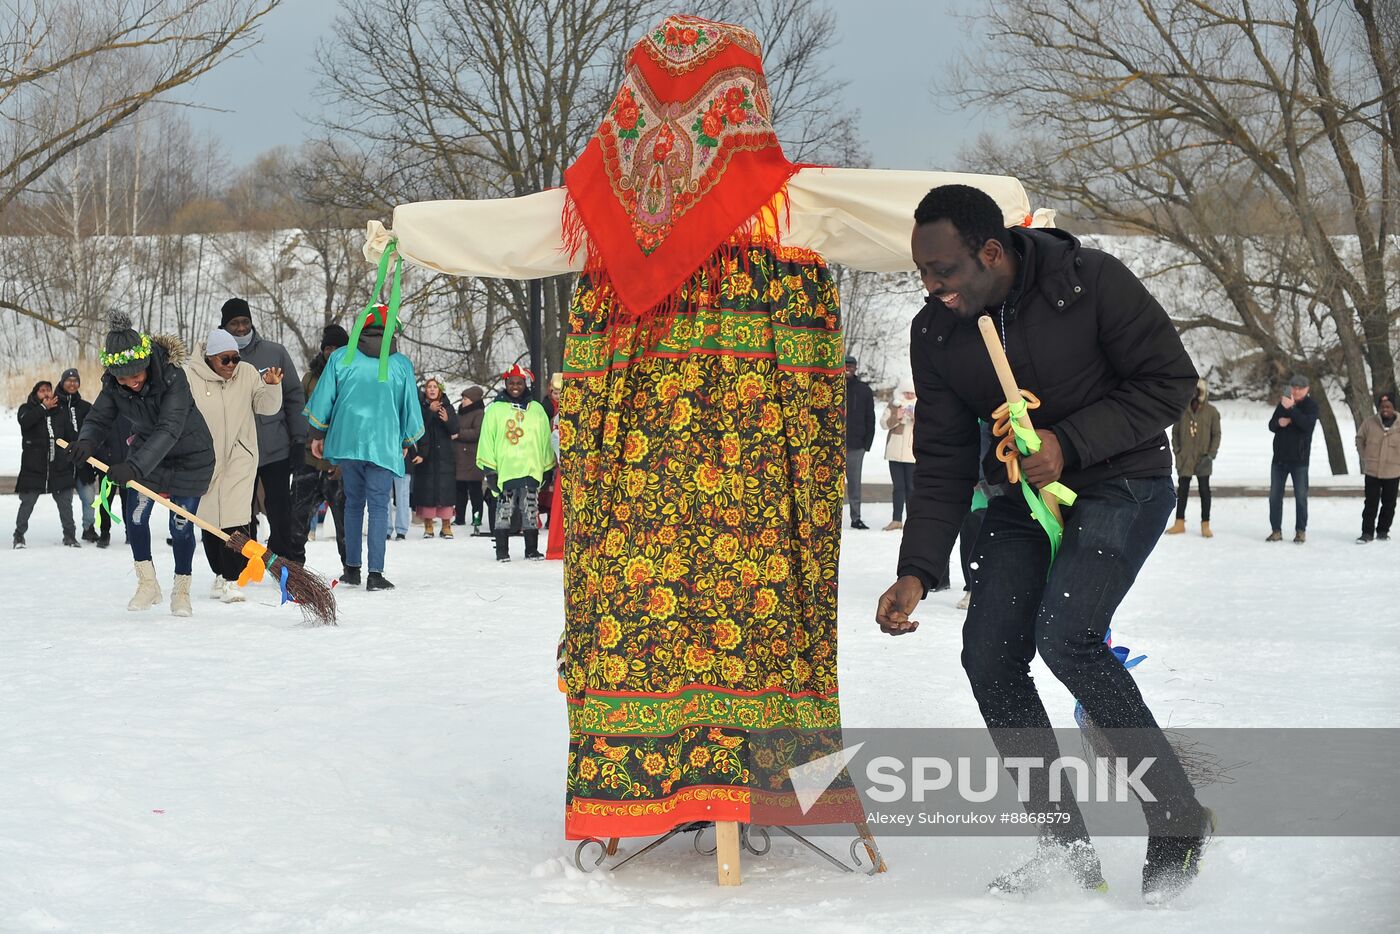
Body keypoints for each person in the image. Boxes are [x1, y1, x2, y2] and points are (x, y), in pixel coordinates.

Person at [361, 10, 1040, 844]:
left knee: (644, 612)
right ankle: (748, 783)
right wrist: (1004, 206)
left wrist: (411, 233)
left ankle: (666, 787)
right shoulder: (783, 203)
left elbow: (510, 230)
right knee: (757, 614)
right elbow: (881, 204)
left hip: (642, 485)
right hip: (753, 479)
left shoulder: (601, 214)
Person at [875, 184, 1210, 904]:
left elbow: (1170, 381)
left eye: (945, 272)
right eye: (922, 275)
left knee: (1067, 634)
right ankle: (1065, 852)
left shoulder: (1090, 283)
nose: (932, 290)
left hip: (1124, 481)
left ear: (991, 252)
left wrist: (1071, 442)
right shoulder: (937, 333)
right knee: (989, 653)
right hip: (1024, 501)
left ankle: (1178, 819)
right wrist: (918, 570)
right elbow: (938, 460)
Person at [71, 311, 215, 617]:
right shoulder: (114, 385)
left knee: (180, 526)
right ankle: (148, 584)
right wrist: (86, 442)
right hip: (149, 456)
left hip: (190, 457)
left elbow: (169, 428)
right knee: (135, 517)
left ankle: (181, 590)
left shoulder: (174, 377)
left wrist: (134, 467)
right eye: (123, 378)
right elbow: (98, 417)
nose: (131, 383)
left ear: (146, 363)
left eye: (136, 375)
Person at [303, 303, 424, 591]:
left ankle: (352, 569)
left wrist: (318, 433)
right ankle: (376, 574)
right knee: (380, 506)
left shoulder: (342, 358)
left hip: (349, 441)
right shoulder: (400, 364)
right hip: (383, 442)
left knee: (353, 503)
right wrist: (407, 441)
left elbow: (324, 399)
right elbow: (410, 406)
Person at [185, 328, 284, 602]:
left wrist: (273, 386)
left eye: (235, 359)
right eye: (224, 360)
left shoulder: (248, 373)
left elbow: (266, 406)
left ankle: (232, 579)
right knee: (208, 519)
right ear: (210, 358)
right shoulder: (190, 377)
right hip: (205, 458)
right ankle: (218, 574)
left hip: (241, 458)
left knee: (236, 519)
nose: (231, 365)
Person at [218, 298, 308, 562]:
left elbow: (293, 395)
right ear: (224, 327)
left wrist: (299, 439)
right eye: (234, 323)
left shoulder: (275, 352)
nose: (241, 328)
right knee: (240, 509)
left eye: (245, 321)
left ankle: (285, 558)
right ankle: (245, 558)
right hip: (236, 449)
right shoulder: (216, 358)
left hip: (274, 446)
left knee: (279, 507)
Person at [476, 364, 553, 562]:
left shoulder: (536, 410)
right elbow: (487, 439)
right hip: (505, 469)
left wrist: (547, 467)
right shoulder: (495, 410)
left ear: (525, 384)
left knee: (530, 508)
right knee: (504, 510)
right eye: (512, 383)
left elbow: (545, 439)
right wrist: (490, 470)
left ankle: (531, 549)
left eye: (519, 383)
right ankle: (502, 550)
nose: (515, 386)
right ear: (506, 383)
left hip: (531, 468)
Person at [290, 325, 351, 568]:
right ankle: (294, 565)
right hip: (308, 458)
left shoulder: (352, 375)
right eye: (328, 348)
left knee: (344, 518)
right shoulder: (310, 378)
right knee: (297, 516)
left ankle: (351, 565)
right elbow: (299, 414)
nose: (332, 352)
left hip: (341, 458)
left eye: (338, 348)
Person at [14, 380, 78, 548]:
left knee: (66, 504)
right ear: (36, 394)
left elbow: (71, 435)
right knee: (27, 503)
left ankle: (70, 536)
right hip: (34, 469)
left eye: (49, 390)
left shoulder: (60, 412)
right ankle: (19, 536)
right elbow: (25, 422)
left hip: (59, 468)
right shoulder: (26, 409)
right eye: (42, 391)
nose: (46, 393)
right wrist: (43, 409)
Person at [1166, 378, 1222, 538]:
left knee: (1205, 491)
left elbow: (1216, 434)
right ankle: (1179, 523)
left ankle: (1205, 524)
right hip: (1185, 458)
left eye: (1197, 391)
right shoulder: (1182, 410)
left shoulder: (1212, 411)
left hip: (1204, 458)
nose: (1194, 394)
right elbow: (1175, 433)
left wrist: (1211, 454)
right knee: (1182, 491)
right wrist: (1177, 451)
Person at [1267, 374, 1318, 543]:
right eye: (1294, 387)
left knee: (1301, 497)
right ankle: (1276, 530)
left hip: (1300, 460)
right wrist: (1279, 422)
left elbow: (1307, 425)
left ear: (1307, 389)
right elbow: (1271, 425)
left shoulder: (1311, 406)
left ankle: (1300, 531)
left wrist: (1291, 411)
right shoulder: (1284, 402)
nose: (1296, 391)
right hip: (1279, 459)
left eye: (1300, 388)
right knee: (1275, 496)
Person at [411, 376, 460, 538]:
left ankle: (446, 526)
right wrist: (430, 413)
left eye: (435, 387)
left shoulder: (448, 407)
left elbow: (455, 430)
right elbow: (418, 427)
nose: (432, 389)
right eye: (429, 387)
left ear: (440, 389)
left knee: (445, 491)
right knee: (427, 491)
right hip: (427, 456)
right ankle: (428, 526)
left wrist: (447, 420)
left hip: (445, 457)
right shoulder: (420, 408)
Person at [54, 368, 100, 542]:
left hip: (84, 462)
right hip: (63, 463)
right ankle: (69, 533)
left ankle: (88, 529)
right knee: (65, 501)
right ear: (62, 382)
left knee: (89, 498)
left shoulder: (86, 407)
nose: (72, 384)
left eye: (75, 381)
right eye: (68, 380)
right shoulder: (55, 406)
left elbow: (95, 432)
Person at [1356, 392, 1399, 543]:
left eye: (1388, 406)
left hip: (1393, 471)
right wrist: (1365, 456)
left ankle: (1382, 530)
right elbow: (1360, 439)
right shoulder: (1369, 423)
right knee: (1370, 503)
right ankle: (1367, 532)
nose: (1385, 409)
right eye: (1382, 406)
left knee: (1389, 503)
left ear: (1393, 407)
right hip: (1372, 471)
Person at [881, 379, 917, 531]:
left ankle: (911, 519)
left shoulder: (921, 405)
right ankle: (896, 520)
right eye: (906, 392)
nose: (909, 395)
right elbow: (883, 424)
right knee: (898, 487)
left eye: (911, 393)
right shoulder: (894, 404)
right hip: (894, 453)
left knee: (911, 487)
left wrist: (914, 417)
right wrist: (898, 417)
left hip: (912, 454)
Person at [845, 355, 876, 529]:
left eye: (850, 365)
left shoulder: (864, 390)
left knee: (854, 484)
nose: (847, 368)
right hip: (834, 445)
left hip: (856, 445)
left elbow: (870, 417)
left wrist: (867, 443)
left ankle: (856, 518)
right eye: (845, 365)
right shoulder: (832, 387)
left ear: (855, 368)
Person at [453, 386, 486, 533]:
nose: (462, 401)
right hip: (460, 457)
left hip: (473, 458)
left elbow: (478, 433)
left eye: (465, 399)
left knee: (475, 492)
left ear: (473, 400)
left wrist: (458, 434)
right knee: (459, 490)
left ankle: (477, 518)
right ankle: (459, 517)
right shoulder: (460, 413)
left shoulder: (479, 414)